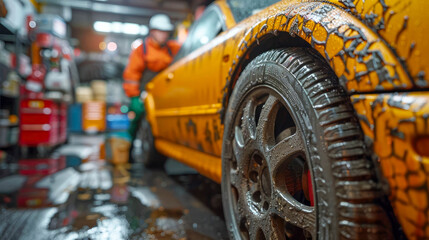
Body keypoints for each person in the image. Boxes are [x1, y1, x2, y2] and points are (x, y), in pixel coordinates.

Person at [123, 14, 181, 161]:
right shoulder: (141, 50)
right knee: (137, 120)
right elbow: (131, 74)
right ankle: (128, 151)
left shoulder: (172, 48)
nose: (163, 35)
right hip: (144, 93)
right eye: (160, 31)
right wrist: (134, 97)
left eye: (166, 32)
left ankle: (160, 152)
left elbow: (188, 49)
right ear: (152, 31)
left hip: (163, 93)